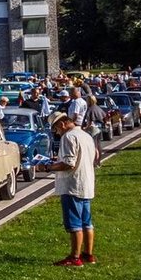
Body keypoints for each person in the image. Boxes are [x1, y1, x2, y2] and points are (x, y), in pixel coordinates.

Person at [41, 114, 98, 266]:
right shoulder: (86, 136)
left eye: (56, 128)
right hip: (86, 182)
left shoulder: (68, 137)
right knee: (87, 222)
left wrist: (48, 167)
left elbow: (69, 163)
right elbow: (92, 156)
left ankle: (75, 257)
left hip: (72, 184)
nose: (56, 132)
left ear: (63, 124)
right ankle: (88, 254)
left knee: (74, 224)